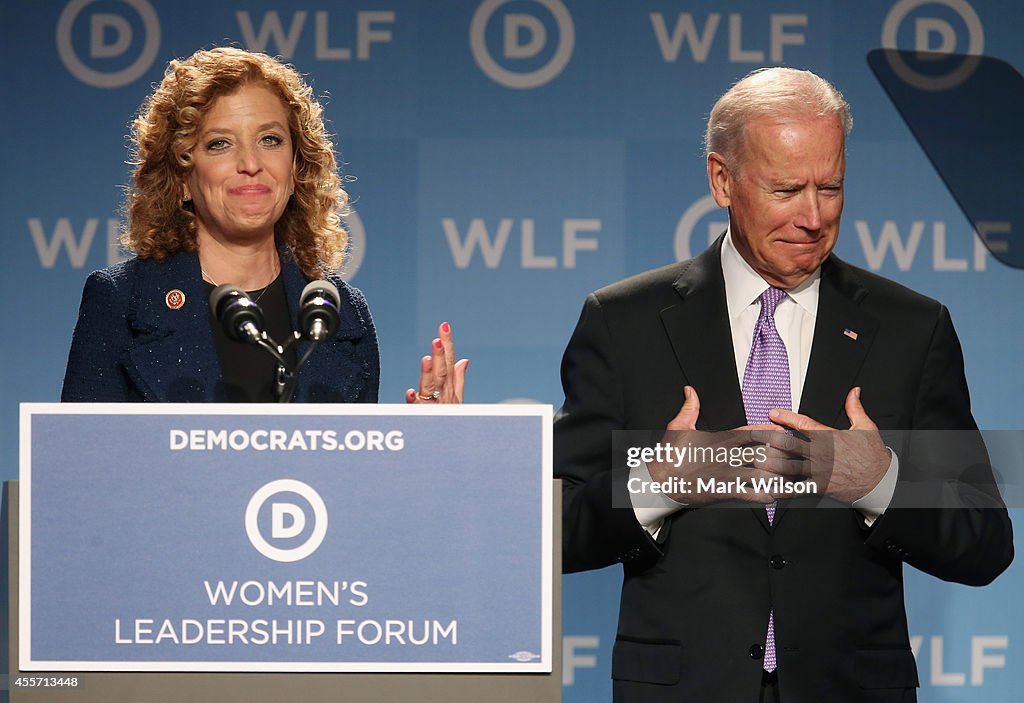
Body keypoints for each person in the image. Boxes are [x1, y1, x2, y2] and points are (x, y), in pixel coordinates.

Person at [554, 67, 1013, 702]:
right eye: (786, 188)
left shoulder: (913, 328)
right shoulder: (623, 322)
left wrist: (879, 483)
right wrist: (656, 485)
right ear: (722, 180)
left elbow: (985, 544)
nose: (813, 216)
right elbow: (554, 534)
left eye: (831, 187)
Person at [61, 47, 466, 404]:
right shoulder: (122, 302)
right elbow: (84, 470)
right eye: (220, 143)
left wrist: (423, 441)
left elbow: (350, 483)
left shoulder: (339, 315)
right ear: (182, 176)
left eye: (270, 140)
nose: (251, 164)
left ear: (295, 169)